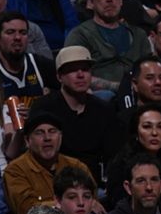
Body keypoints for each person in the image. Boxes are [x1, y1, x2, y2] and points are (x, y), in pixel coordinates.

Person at [31, 46, 119, 182]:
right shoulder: (44, 107)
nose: (80, 75)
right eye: (73, 70)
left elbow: (113, 154)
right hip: (55, 181)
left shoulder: (104, 109)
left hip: (95, 183)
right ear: (59, 76)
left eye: (85, 69)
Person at [3, 111, 94, 214]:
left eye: (52, 131)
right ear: (27, 140)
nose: (47, 138)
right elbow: (27, 212)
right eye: (39, 132)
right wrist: (68, 205)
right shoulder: (15, 170)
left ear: (60, 137)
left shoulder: (76, 166)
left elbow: (93, 200)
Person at [64, 0, 151, 95]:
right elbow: (75, 76)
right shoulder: (80, 35)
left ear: (121, 0)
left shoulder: (139, 35)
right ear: (90, 2)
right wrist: (119, 87)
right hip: (99, 99)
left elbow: (150, 72)